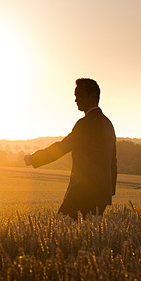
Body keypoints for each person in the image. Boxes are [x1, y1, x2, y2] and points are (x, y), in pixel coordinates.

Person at [25, 78, 117, 218]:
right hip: (102, 194)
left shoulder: (85, 124)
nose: (76, 100)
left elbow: (62, 147)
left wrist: (32, 158)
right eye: (75, 96)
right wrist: (109, 189)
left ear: (92, 96)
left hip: (83, 191)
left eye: (79, 95)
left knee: (63, 225)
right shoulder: (108, 124)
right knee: (87, 235)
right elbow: (112, 160)